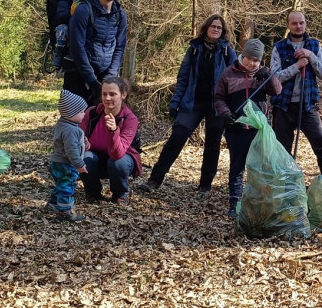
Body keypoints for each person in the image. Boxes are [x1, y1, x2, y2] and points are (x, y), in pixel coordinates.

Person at [141, 14, 238, 194]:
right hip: (192, 102)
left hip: (217, 105)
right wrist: (175, 101)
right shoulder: (195, 48)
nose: (216, 29)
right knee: (176, 139)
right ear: (206, 28)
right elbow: (183, 77)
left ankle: (205, 185)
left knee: (212, 145)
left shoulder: (227, 51)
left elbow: (234, 80)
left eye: (219, 27)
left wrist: (230, 107)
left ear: (223, 31)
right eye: (213, 26)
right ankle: (154, 180)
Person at [214, 38, 282, 218]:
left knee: (261, 167)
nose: (252, 63)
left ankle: (260, 202)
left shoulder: (262, 74)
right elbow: (218, 98)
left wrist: (269, 75)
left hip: (259, 130)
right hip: (236, 129)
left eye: (257, 60)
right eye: (249, 58)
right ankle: (234, 203)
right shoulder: (228, 73)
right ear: (243, 56)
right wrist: (226, 114)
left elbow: (276, 91)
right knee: (237, 167)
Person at [270, 11, 322, 173]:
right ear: (288, 25)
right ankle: (285, 190)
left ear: (305, 24)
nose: (298, 26)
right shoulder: (279, 47)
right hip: (283, 107)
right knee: (282, 151)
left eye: (301, 23)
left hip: (307, 106)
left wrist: (311, 56)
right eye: (294, 23)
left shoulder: (314, 46)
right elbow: (275, 78)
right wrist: (297, 66)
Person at [64, 0, 127, 106]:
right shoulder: (83, 10)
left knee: (99, 122)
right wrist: (92, 80)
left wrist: (110, 77)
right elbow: (77, 47)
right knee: (75, 120)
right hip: (78, 73)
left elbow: (120, 47)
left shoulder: (120, 14)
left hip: (104, 75)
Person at [79, 76, 142, 204]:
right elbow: (78, 140)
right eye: (104, 94)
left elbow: (117, 153)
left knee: (118, 162)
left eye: (112, 94)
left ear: (123, 95)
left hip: (120, 160)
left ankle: (120, 194)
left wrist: (113, 131)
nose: (107, 98)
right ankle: (93, 193)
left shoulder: (130, 119)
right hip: (95, 159)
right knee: (84, 157)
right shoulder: (91, 113)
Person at [47, 90, 89, 222]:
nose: (84, 114)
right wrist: (80, 165)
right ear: (71, 113)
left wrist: (84, 141)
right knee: (68, 186)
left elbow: (71, 140)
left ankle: (53, 204)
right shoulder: (71, 130)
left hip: (57, 162)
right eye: (82, 112)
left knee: (61, 184)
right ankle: (65, 211)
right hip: (66, 164)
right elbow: (71, 150)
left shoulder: (64, 123)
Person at [50, 0, 86, 70]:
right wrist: (71, 12)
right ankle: (59, 52)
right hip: (66, 27)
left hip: (81, 28)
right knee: (62, 29)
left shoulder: (87, 1)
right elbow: (59, 17)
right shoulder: (64, 0)